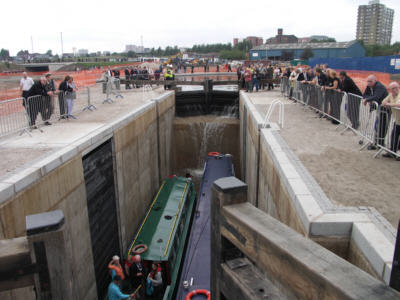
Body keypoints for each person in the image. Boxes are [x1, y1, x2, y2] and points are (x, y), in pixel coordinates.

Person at [362, 75, 389, 149]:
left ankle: (380, 143)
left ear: (375, 81)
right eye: (368, 81)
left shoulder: (379, 86)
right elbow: (364, 94)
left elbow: (377, 97)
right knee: (377, 125)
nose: (368, 83)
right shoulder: (369, 86)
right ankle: (376, 142)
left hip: (385, 109)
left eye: (370, 81)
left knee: (382, 125)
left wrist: (367, 100)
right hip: (378, 108)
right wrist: (367, 99)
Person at [381, 82, 400, 160]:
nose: (392, 90)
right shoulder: (391, 95)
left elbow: (398, 105)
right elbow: (383, 101)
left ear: (397, 88)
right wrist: (386, 103)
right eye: (391, 89)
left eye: (393, 89)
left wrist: (389, 104)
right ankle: (392, 152)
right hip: (397, 120)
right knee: (394, 136)